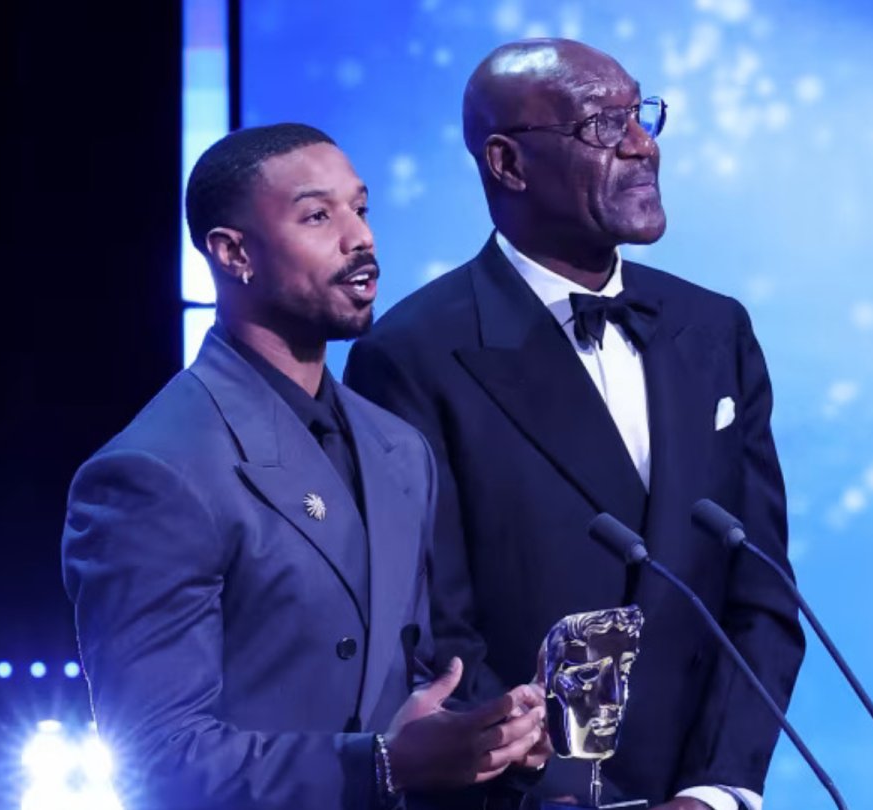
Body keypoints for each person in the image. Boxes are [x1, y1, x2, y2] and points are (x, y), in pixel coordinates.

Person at [345, 40, 806, 810]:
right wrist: (564, 790)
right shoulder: (413, 355)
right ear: (508, 163)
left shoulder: (714, 329)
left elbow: (759, 593)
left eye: (642, 115)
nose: (642, 145)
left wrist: (716, 790)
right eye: (603, 125)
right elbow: (434, 630)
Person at [61, 123, 547, 810]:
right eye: (318, 216)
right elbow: (158, 759)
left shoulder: (397, 447)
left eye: (361, 208)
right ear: (234, 253)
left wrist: (490, 738)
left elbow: (407, 684)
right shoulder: (155, 472)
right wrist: (382, 764)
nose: (360, 238)